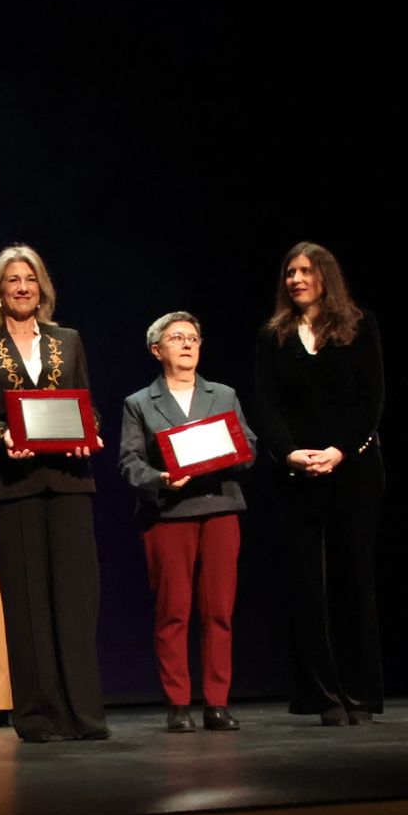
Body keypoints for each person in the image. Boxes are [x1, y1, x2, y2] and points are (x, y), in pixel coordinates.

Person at [0, 245, 108, 742]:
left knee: (75, 598)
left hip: (69, 481)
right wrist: (3, 436)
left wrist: (90, 431)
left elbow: (86, 405)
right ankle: (38, 717)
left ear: (42, 288)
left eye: (30, 279)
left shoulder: (69, 340)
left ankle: (83, 715)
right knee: (27, 604)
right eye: (13, 280)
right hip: (15, 485)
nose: (22, 287)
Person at [250, 241, 385, 725]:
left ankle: (360, 694)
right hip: (297, 471)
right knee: (307, 581)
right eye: (290, 272)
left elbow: (371, 399)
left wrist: (340, 450)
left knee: (353, 577)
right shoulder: (273, 335)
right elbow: (266, 403)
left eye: (306, 271)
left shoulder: (359, 325)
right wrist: (288, 452)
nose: (296, 279)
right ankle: (322, 695)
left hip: (353, 468)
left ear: (326, 276)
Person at [119, 312, 255, 733]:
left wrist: (233, 451)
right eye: (177, 338)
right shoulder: (140, 402)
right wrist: (161, 478)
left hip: (219, 509)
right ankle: (178, 704)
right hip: (170, 513)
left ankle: (217, 703)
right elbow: (129, 462)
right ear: (156, 350)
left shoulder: (223, 395)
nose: (187, 344)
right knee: (173, 611)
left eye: (193, 338)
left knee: (219, 611)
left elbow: (249, 445)